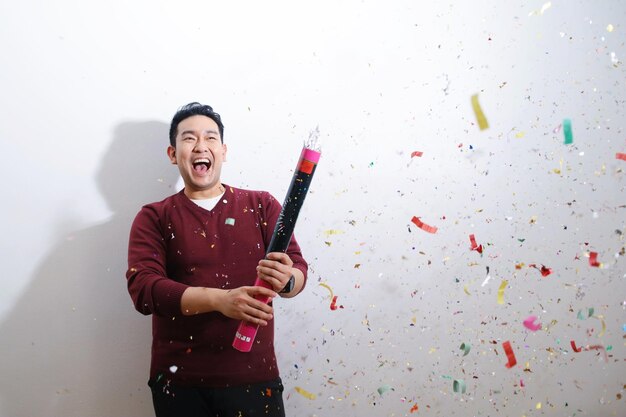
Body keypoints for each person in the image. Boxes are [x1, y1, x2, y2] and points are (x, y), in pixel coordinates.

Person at [126, 102, 308, 417]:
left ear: (223, 151)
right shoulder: (154, 216)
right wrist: (219, 300)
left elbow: (297, 269)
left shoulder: (262, 205)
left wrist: (288, 280)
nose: (201, 146)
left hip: (255, 379)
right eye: (189, 138)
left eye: (210, 138)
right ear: (173, 154)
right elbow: (144, 290)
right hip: (178, 384)